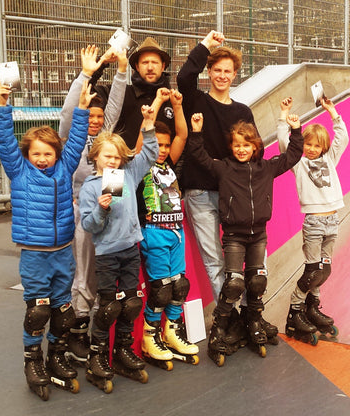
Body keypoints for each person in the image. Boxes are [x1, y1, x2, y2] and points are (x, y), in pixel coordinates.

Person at [0, 81, 95, 400]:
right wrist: (2, 106)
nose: (41, 158)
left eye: (47, 153)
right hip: (35, 255)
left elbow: (76, 140)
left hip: (63, 252)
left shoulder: (64, 169)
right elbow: (5, 141)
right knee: (38, 311)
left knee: (63, 312)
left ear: (56, 155)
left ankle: (56, 355)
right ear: (27, 155)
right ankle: (33, 360)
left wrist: (82, 108)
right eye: (36, 153)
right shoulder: (19, 171)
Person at [189, 112, 304, 366]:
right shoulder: (224, 168)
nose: (241, 149)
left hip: (259, 234)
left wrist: (296, 130)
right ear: (231, 147)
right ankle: (219, 329)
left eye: (246, 145)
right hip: (234, 236)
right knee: (233, 284)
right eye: (237, 145)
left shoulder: (266, 168)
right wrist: (196, 132)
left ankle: (253, 321)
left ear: (256, 146)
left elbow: (293, 155)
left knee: (257, 281)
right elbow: (199, 157)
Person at [79, 105, 158, 392]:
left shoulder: (127, 175)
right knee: (108, 307)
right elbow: (89, 225)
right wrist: (100, 210)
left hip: (130, 249)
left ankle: (122, 351)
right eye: (107, 156)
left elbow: (150, 154)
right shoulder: (90, 187)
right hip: (106, 254)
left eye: (116, 157)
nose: (112, 161)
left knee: (130, 303)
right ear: (96, 157)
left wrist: (148, 125)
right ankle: (97, 357)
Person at [58, 44, 128, 364]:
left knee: (106, 271)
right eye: (91, 115)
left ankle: (99, 330)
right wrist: (86, 75)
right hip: (81, 212)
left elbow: (115, 105)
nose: (96, 121)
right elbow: (69, 112)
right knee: (84, 271)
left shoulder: (107, 145)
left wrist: (122, 70)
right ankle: (77, 329)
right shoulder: (71, 136)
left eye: (100, 117)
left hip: (109, 212)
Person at [177, 30, 257, 301]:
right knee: (214, 260)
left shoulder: (243, 112)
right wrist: (205, 45)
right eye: (217, 70)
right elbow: (184, 78)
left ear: (235, 75)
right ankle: (229, 316)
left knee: (240, 260)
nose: (222, 75)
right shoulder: (197, 101)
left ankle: (248, 312)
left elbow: (253, 151)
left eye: (228, 71)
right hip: (199, 193)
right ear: (209, 72)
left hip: (232, 193)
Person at [277, 97, 349, 345]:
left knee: (324, 270)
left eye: (317, 145)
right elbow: (284, 144)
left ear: (324, 147)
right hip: (314, 224)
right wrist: (284, 116)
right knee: (312, 271)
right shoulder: (299, 163)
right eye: (308, 144)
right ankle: (294, 311)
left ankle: (312, 307)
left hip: (332, 221)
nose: (311, 149)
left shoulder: (330, 159)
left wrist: (332, 111)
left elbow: (342, 138)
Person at [139, 91, 199, 368]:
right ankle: (149, 337)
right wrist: (156, 105)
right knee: (161, 288)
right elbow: (143, 138)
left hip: (176, 232)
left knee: (179, 285)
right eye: (158, 144)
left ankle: (172, 332)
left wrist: (177, 105)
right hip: (154, 232)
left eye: (165, 145)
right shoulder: (141, 165)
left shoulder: (168, 164)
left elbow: (182, 136)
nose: (162, 149)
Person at [90, 37, 186, 152]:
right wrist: (102, 62)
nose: (150, 68)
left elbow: (180, 139)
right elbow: (83, 90)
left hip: (162, 163)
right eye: (145, 62)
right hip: (124, 161)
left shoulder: (174, 101)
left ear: (163, 66)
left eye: (154, 62)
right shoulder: (121, 94)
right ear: (137, 67)